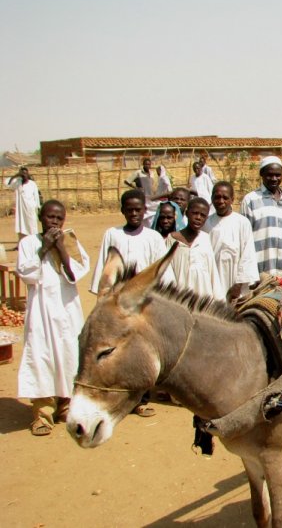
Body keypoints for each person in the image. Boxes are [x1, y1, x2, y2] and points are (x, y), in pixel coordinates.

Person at [90, 189, 172, 418]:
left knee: (142, 349)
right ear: (122, 211)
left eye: (138, 210)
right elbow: (105, 270)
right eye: (129, 210)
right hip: (118, 306)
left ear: (145, 211)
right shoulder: (112, 235)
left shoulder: (153, 237)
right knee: (119, 350)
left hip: (144, 303)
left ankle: (142, 398)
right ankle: (119, 396)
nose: (134, 214)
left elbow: (162, 272)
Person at [17, 199, 90, 436]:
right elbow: (26, 273)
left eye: (59, 218)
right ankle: (43, 413)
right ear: (41, 217)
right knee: (41, 357)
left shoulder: (69, 241)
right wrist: (44, 249)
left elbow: (75, 273)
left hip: (67, 309)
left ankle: (66, 407)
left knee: (69, 356)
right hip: (41, 312)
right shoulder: (29, 243)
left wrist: (60, 248)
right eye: (50, 217)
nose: (55, 222)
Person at [240, 156, 282, 275]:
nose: (274, 179)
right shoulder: (250, 200)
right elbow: (244, 239)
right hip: (261, 270)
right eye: (270, 175)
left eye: (278, 175)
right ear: (261, 174)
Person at [204, 182, 259, 302]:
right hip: (212, 278)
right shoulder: (206, 223)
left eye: (225, 197)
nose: (221, 201)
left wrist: (238, 285)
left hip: (234, 280)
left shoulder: (242, 222)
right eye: (217, 197)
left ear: (232, 199)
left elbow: (247, 255)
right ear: (212, 198)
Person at [165, 198, 225, 301]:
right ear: (187, 213)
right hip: (180, 297)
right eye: (195, 213)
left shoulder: (205, 239)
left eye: (203, 215)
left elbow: (212, 272)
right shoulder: (172, 240)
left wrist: (219, 301)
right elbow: (167, 272)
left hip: (203, 298)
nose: (198, 218)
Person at [5, 166, 40, 243]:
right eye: (22, 173)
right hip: (21, 210)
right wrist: (15, 175)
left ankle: (34, 242)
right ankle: (21, 243)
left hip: (30, 209)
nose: (24, 174)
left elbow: (36, 197)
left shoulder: (32, 184)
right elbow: (8, 184)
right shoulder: (17, 183)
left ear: (28, 174)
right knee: (21, 226)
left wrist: (37, 207)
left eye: (25, 173)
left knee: (32, 225)